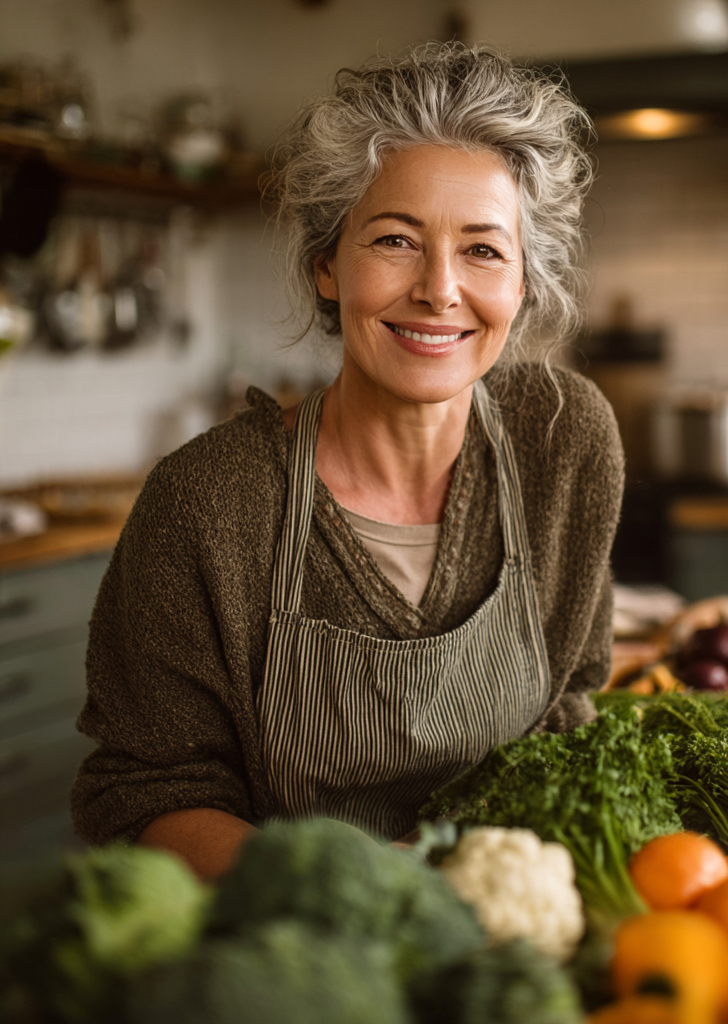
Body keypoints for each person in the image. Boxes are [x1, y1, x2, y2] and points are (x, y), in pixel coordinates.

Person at [71, 44, 624, 880]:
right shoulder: (207, 503)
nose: (440, 289)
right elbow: (145, 792)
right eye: (397, 240)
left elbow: (568, 705)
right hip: (294, 951)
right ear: (328, 265)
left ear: (524, 282)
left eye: (483, 250)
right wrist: (341, 888)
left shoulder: (564, 438)